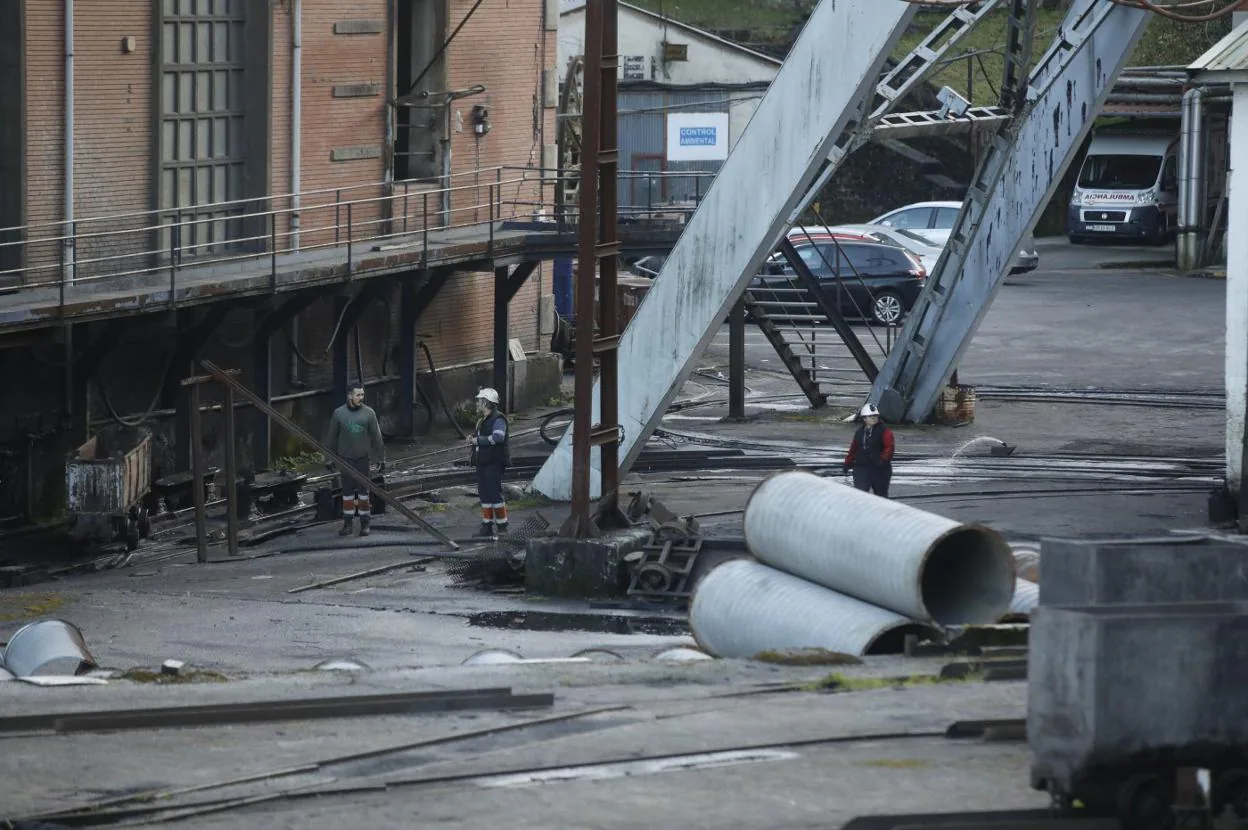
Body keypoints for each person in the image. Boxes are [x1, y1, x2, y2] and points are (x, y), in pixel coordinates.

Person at [324, 385, 386, 537]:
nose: (361, 398)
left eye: (362, 395)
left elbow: (377, 437)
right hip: (345, 459)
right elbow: (331, 438)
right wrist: (328, 459)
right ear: (349, 396)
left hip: (362, 458)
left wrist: (380, 458)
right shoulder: (339, 414)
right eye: (358, 395)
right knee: (347, 493)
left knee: (364, 493)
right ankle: (348, 524)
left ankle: (365, 524)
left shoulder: (368, 413)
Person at [467, 387, 510, 537]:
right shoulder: (482, 421)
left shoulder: (498, 419)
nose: (477, 403)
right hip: (483, 462)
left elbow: (498, 437)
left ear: (486, 402)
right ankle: (487, 526)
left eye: (479, 401)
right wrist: (473, 438)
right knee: (484, 495)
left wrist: (478, 440)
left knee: (494, 494)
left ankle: (502, 526)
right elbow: (481, 437)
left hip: (493, 462)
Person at [843, 402, 895, 498]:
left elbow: (889, 447)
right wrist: (848, 462)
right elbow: (854, 448)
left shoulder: (885, 431)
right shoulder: (859, 433)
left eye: (875, 416)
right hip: (862, 468)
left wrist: (883, 460)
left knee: (881, 496)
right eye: (871, 416)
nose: (874, 418)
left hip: (880, 469)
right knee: (861, 494)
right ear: (864, 418)